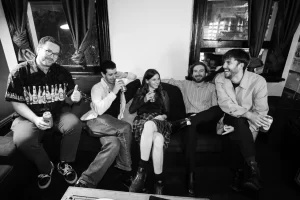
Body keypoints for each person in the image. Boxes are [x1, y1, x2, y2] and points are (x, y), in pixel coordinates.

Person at [5, 36, 82, 189]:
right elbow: (16, 102)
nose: (51, 56)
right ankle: (46, 168)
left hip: (57, 113)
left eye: (55, 54)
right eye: (48, 51)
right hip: (28, 116)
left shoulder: (62, 72)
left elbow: (70, 98)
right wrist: (34, 119)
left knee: (74, 124)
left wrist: (74, 98)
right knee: (23, 140)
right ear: (38, 49)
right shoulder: (19, 72)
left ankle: (64, 163)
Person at [215, 49, 271, 191]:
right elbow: (225, 104)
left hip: (250, 122)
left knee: (239, 129)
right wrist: (248, 115)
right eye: (224, 62)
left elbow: (261, 112)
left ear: (240, 65)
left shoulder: (258, 81)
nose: (224, 66)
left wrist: (249, 128)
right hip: (228, 115)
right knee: (239, 123)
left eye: (228, 62)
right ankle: (253, 170)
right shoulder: (220, 78)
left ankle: (239, 174)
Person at [77, 60, 140, 188]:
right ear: (102, 74)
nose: (112, 77)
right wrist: (114, 92)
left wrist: (121, 74)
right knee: (126, 127)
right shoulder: (97, 88)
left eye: (114, 73)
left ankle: (85, 181)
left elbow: (134, 77)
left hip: (112, 124)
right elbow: (99, 110)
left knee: (114, 144)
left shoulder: (117, 82)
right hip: (96, 121)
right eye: (110, 74)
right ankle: (127, 173)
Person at [165, 62, 224, 197]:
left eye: (201, 71)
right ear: (191, 73)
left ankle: (185, 122)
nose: (198, 73)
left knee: (216, 109)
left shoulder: (212, 87)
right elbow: (166, 80)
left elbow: (215, 110)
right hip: (189, 121)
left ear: (206, 73)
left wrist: (220, 124)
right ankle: (190, 175)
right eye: (195, 71)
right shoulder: (185, 84)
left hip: (206, 121)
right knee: (190, 128)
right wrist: (146, 79)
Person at [128, 69, 175, 195]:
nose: (157, 82)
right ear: (147, 80)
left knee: (150, 124)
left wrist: (163, 117)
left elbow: (167, 112)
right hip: (142, 121)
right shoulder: (140, 92)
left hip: (159, 121)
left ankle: (141, 170)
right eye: (154, 79)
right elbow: (132, 110)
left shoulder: (163, 93)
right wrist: (143, 100)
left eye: (158, 79)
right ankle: (159, 181)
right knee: (158, 140)